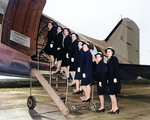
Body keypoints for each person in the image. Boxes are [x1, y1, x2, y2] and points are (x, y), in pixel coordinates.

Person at [105, 47, 121, 114]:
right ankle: (113, 108)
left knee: (112, 94)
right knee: (111, 94)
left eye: (109, 51)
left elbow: (116, 68)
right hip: (110, 79)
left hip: (114, 79)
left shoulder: (114, 59)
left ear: (112, 52)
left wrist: (115, 77)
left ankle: (116, 108)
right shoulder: (108, 60)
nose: (108, 53)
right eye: (107, 52)